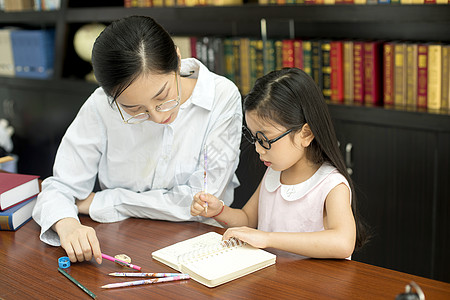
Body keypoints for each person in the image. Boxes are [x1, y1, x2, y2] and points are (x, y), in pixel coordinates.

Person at [33, 16, 242, 264]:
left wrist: (106, 201)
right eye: (134, 109)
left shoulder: (220, 96)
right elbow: (59, 187)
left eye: (162, 96)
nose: (157, 116)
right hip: (121, 243)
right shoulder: (102, 104)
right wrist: (67, 225)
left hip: (202, 245)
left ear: (176, 60)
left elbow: (202, 202)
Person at [191, 68, 368, 259]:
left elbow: (342, 243)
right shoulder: (275, 172)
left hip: (312, 285)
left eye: (265, 139)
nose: (258, 148)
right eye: (254, 138)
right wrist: (220, 211)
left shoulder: (331, 185)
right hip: (275, 281)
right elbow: (248, 219)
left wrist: (268, 238)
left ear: (305, 134)